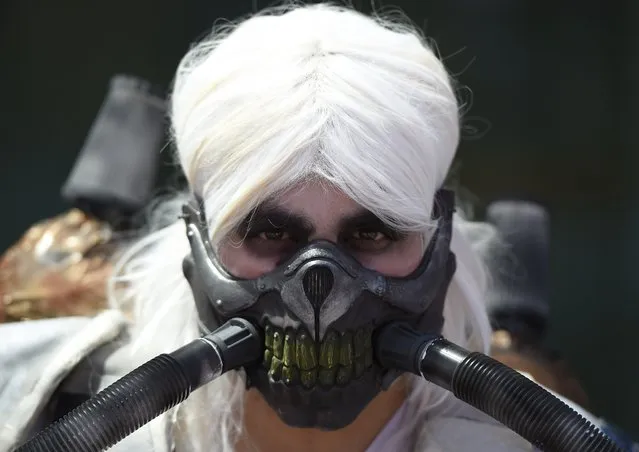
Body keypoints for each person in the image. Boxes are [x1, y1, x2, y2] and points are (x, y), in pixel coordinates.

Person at [0, 4, 605, 452]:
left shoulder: (544, 438)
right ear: (198, 240)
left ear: (439, 241)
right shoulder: (32, 405)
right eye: (266, 233)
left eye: (373, 234)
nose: (320, 288)